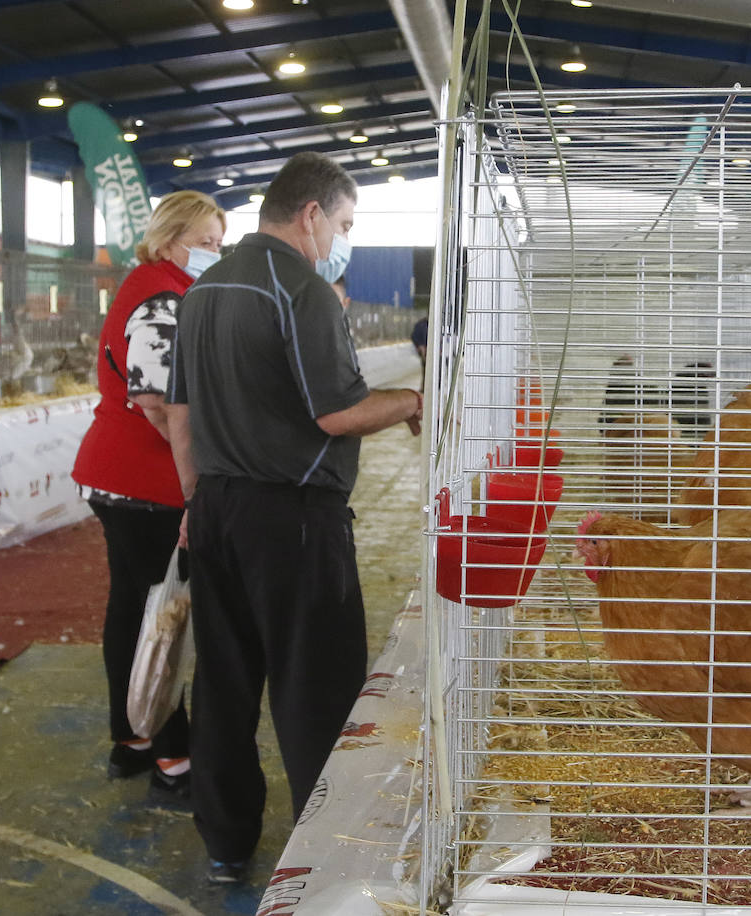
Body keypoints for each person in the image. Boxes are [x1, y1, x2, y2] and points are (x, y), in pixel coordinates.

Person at [166, 151, 422, 885]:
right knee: (315, 686)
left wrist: (194, 501)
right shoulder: (300, 288)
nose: (342, 238)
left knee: (224, 681)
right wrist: (414, 400)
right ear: (311, 215)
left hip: (216, 508)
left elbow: (180, 415)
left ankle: (226, 843)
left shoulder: (203, 290)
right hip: (293, 517)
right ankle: (327, 851)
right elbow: (337, 412)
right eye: (343, 223)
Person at [71, 190, 226, 806]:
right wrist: (195, 481)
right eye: (204, 242)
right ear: (168, 239)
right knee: (162, 619)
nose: (213, 252)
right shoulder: (161, 297)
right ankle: (171, 752)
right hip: (144, 481)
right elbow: (158, 401)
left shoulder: (159, 287)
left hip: (121, 477)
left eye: (218, 243)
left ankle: (132, 738)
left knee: (134, 607)